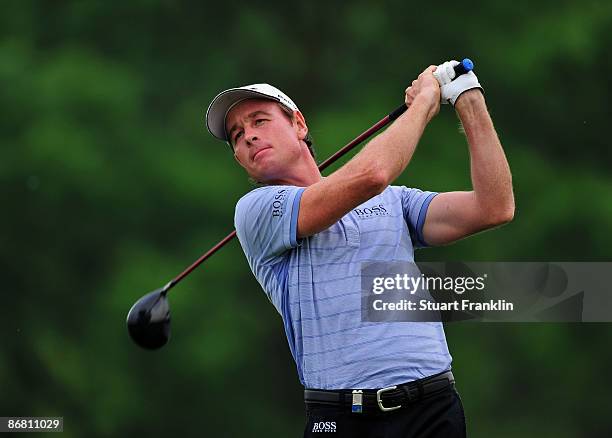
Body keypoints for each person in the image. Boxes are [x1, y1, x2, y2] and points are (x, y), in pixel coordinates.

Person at [205, 62, 514, 437]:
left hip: (432, 409)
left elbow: (495, 206)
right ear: (238, 157)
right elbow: (371, 175)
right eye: (237, 135)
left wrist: (467, 96)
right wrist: (424, 104)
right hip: (342, 420)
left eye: (259, 121)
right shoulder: (255, 212)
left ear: (299, 125)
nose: (248, 137)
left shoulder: (394, 202)